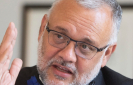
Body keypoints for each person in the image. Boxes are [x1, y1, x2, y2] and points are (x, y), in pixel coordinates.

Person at [0, 0, 133, 85]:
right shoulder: (12, 81)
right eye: (59, 36)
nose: (67, 55)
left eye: (85, 46)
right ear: (42, 29)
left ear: (106, 54)